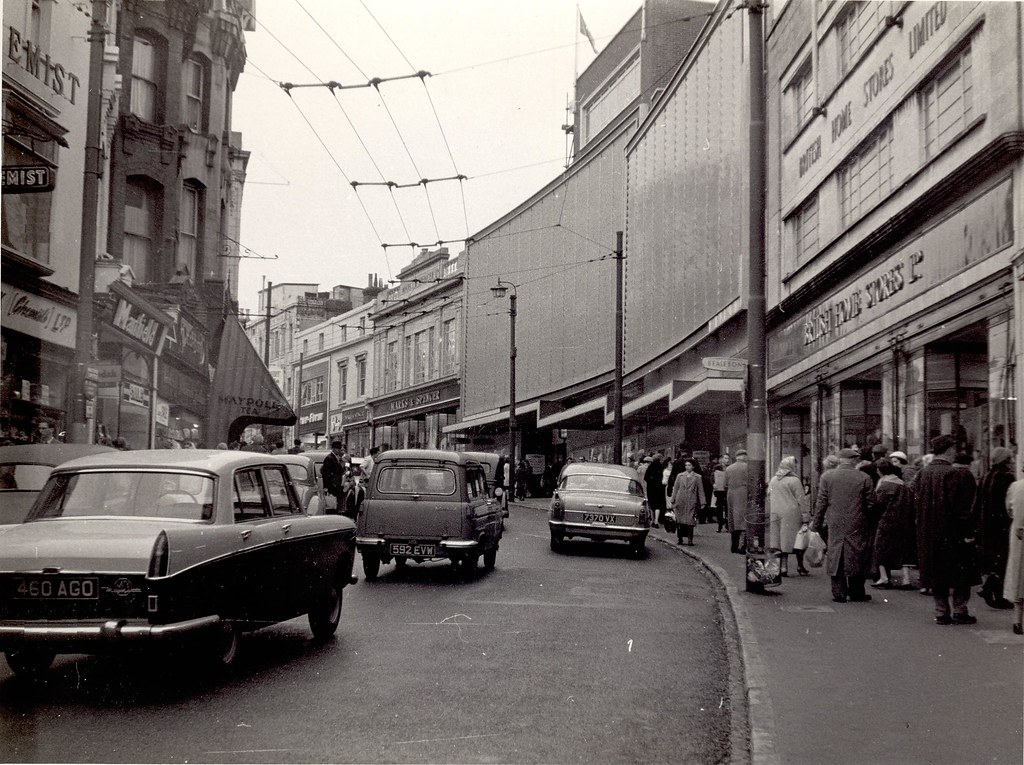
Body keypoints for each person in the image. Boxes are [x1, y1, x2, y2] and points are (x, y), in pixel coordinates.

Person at [915, 434, 981, 625]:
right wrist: (969, 533)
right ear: (949, 450)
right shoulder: (955, 474)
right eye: (954, 449)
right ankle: (960, 610)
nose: (956, 452)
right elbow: (961, 509)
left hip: (928, 533)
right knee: (960, 573)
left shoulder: (923, 473)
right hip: (952, 534)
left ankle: (941, 611)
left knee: (936, 572)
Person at [810, 447, 874, 603]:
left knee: (835, 554)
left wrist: (816, 524)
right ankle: (857, 592)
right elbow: (871, 504)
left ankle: (839, 593)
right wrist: (869, 522)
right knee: (857, 555)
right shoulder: (864, 477)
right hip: (858, 523)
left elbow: (821, 503)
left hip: (835, 522)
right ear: (853, 460)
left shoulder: (828, 477)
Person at [976, 447, 1016, 609]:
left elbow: (978, 502)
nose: (1013, 462)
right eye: (1010, 459)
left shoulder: (987, 476)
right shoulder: (1007, 477)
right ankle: (997, 593)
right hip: (1002, 525)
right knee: (1003, 560)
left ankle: (991, 589)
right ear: (1005, 461)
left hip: (986, 525)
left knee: (994, 559)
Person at [870, 459, 916, 589]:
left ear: (879, 471)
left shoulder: (884, 486)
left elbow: (877, 505)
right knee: (903, 550)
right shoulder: (903, 485)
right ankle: (906, 579)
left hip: (887, 521)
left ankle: (884, 577)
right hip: (904, 522)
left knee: (880, 548)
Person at [768, 456, 810, 576]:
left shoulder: (774, 479)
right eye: (795, 465)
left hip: (775, 513)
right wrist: (805, 517)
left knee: (778, 541)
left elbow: (769, 495)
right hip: (791, 513)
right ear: (791, 467)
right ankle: (800, 565)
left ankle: (783, 567)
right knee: (798, 539)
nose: (796, 467)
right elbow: (801, 500)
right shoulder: (794, 481)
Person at [1004, 478, 1024, 635]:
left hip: (1018, 535)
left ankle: (1017, 620)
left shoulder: (1016, 486)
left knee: (1018, 575)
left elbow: (1009, 509)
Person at [670, 458, 704, 546]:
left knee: (690, 521)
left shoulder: (697, 477)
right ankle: (680, 538)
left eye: (689, 465)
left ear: (693, 466)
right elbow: (676, 488)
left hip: (691, 501)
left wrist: (703, 502)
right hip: (680, 500)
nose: (687, 467)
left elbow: (700, 490)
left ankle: (690, 539)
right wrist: (672, 499)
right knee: (679, 521)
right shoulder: (680, 476)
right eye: (686, 465)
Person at [724, 449, 749, 554]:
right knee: (744, 520)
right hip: (743, 493)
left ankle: (734, 546)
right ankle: (743, 546)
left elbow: (725, 484)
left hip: (731, 494)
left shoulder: (729, 468)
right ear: (744, 457)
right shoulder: (747, 467)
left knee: (733, 520)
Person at [321, 440, 348, 512]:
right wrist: (326, 486)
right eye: (337, 449)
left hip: (337, 483)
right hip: (332, 484)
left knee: (338, 500)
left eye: (339, 449)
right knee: (332, 502)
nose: (339, 450)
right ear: (333, 449)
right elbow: (325, 473)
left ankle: (338, 511)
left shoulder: (337, 458)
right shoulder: (329, 458)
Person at [645, 450, 667, 528]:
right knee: (658, 505)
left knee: (652, 504)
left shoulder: (650, 467)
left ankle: (652, 519)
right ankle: (656, 521)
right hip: (660, 489)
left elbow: (646, 478)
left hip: (651, 488)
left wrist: (651, 481)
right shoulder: (662, 467)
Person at [713, 455, 730, 532]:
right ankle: (720, 525)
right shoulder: (717, 467)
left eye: (728, 458)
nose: (727, 460)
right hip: (719, 491)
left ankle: (727, 525)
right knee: (719, 507)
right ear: (722, 459)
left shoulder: (730, 468)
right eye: (725, 458)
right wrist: (713, 484)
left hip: (727, 490)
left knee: (728, 508)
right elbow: (712, 477)